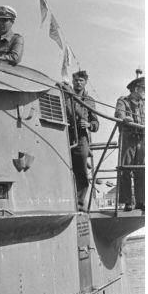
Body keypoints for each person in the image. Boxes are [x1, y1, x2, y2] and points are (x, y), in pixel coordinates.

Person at [60, 71, 99, 210]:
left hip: (81, 136)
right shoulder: (64, 93)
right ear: (73, 81)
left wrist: (88, 125)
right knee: (62, 166)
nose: (78, 82)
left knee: (81, 170)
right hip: (64, 132)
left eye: (81, 80)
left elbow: (96, 123)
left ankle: (80, 204)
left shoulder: (89, 101)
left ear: (85, 82)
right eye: (76, 80)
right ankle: (64, 201)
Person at [115, 75, 145, 213]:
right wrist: (125, 118)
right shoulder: (123, 101)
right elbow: (119, 115)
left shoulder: (144, 104)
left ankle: (141, 201)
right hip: (128, 139)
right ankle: (127, 201)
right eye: (144, 89)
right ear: (136, 89)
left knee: (142, 169)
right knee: (126, 169)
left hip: (142, 139)